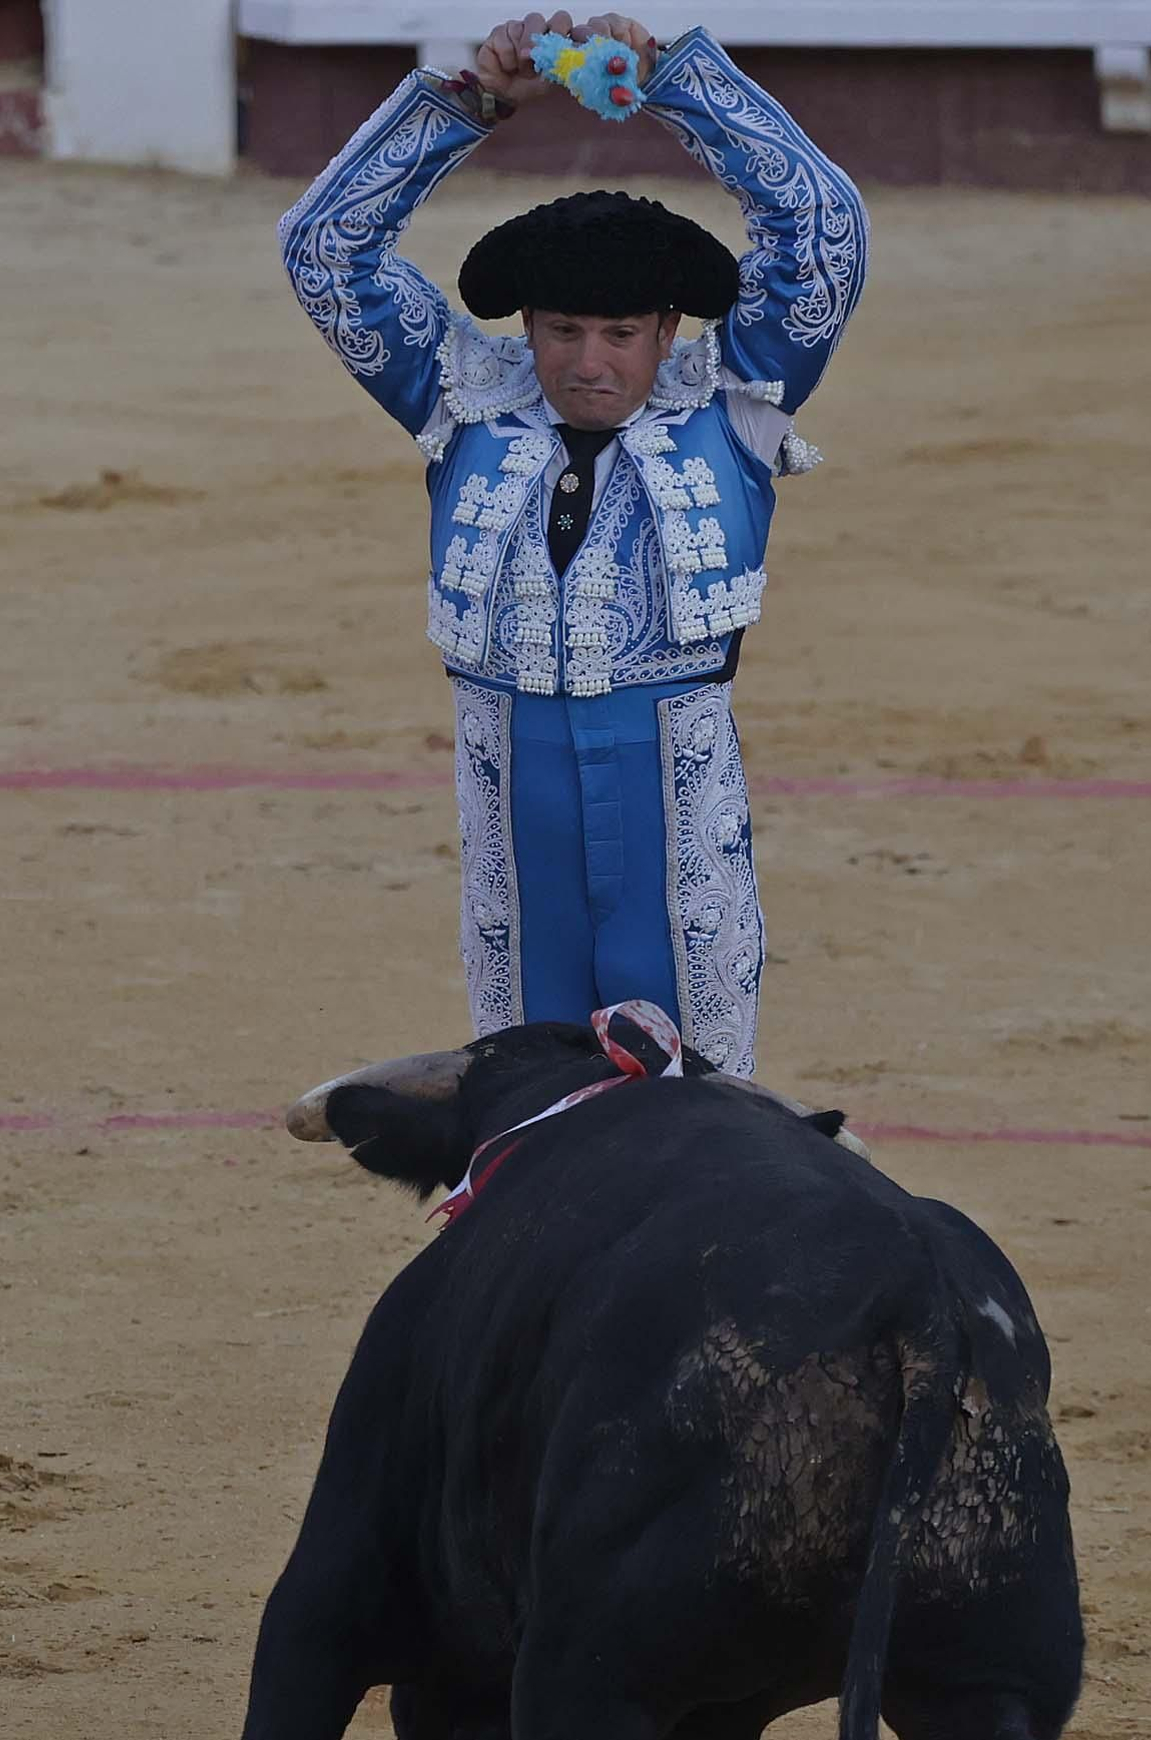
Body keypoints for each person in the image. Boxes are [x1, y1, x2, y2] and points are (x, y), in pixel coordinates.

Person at [278, 12, 867, 1076]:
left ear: (668, 331)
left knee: (689, 1097)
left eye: (620, 333)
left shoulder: (733, 396)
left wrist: (677, 82)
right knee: (527, 1086)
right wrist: (471, 105)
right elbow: (325, 251)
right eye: (562, 331)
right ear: (529, 327)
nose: (589, 362)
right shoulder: (463, 392)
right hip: (512, 797)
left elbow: (820, 226)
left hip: (668, 791)